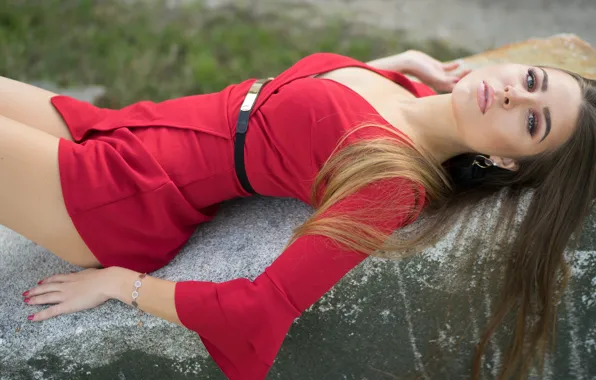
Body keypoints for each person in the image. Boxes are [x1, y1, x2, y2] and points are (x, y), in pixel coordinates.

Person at [3, 48, 595, 380]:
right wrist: (406, 61)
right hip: (125, 128)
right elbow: (299, 103)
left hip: (119, 193)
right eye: (533, 80)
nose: (518, 95)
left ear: (506, 162)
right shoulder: (409, 91)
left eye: (533, 121)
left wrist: (122, 285)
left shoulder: (391, 185)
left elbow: (259, 311)